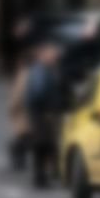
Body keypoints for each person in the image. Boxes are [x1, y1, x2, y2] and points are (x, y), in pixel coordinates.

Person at [24, 40, 64, 188]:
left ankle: (43, 175)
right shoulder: (39, 71)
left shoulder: (48, 69)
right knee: (42, 144)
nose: (54, 56)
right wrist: (46, 108)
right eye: (51, 53)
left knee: (46, 144)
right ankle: (40, 176)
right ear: (44, 54)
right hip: (41, 113)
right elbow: (37, 93)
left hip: (43, 112)